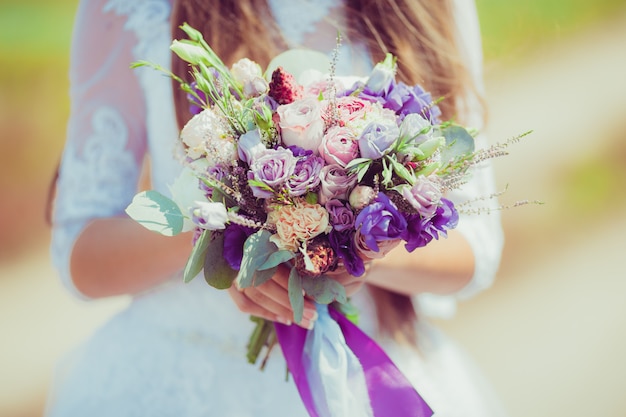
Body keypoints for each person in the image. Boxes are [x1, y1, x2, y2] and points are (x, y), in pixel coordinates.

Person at [46, 0, 506, 415]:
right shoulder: (132, 9)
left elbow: (475, 249)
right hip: (178, 379)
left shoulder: (429, 7)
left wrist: (357, 249)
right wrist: (221, 232)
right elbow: (80, 255)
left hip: (364, 373)